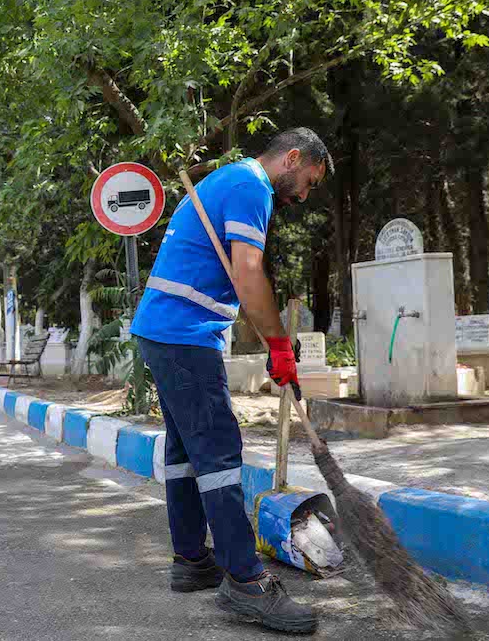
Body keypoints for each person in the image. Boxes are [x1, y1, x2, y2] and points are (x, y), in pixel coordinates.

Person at [130, 128, 332, 635]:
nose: (304, 194)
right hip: (184, 335)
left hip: (164, 332)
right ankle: (245, 582)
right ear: (291, 159)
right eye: (307, 180)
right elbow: (248, 271)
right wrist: (279, 344)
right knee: (219, 454)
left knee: (184, 452)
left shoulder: (229, 180)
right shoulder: (250, 187)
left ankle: (192, 560)